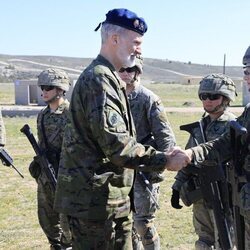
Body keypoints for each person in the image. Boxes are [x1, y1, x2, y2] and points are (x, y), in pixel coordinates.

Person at [54, 8, 189, 250]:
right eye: (136, 42)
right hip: (93, 206)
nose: (140, 49)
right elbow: (118, 146)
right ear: (115, 39)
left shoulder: (110, 79)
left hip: (111, 200)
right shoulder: (98, 80)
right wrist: (164, 159)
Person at [172, 45, 250, 250]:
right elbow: (216, 146)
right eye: (203, 96)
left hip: (226, 195)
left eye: (213, 96)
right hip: (208, 194)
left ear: (225, 98)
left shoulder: (232, 122)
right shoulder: (202, 125)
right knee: (206, 240)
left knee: (226, 241)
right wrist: (179, 181)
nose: (207, 100)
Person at [118, 56, 176, 250]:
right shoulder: (114, 98)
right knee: (125, 224)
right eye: (122, 69)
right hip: (120, 169)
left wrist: (160, 166)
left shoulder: (148, 98)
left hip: (144, 169)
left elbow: (165, 136)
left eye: (129, 69)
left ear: (137, 71)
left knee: (143, 224)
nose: (125, 73)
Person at [29, 68, 72, 250]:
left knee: (68, 222)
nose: (44, 92)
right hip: (47, 175)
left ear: (61, 89)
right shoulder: (43, 115)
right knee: (46, 218)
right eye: (42, 87)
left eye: (48, 87)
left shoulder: (72, 113)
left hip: (67, 175)